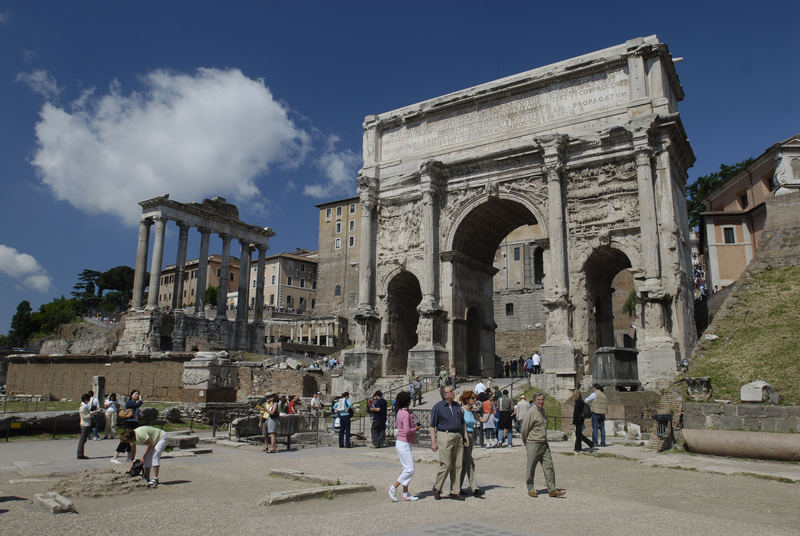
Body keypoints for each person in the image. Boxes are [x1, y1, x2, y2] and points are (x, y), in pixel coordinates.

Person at [521, 393, 565, 498]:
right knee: (531, 467)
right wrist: (526, 442)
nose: (541, 401)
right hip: (533, 442)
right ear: (535, 400)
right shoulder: (531, 412)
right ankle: (531, 488)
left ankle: (552, 489)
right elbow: (524, 429)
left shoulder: (543, 411)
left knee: (549, 466)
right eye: (539, 400)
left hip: (544, 443)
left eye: (542, 399)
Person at [429, 385, 465, 500]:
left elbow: (462, 422)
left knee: (458, 464)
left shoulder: (457, 406)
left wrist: (465, 438)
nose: (454, 392)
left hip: (458, 436)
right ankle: (438, 488)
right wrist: (433, 442)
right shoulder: (438, 407)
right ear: (445, 395)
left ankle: (455, 491)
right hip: (445, 435)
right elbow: (432, 426)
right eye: (451, 391)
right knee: (446, 464)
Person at [388, 391, 420, 502]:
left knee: (406, 468)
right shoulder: (406, 414)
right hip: (404, 442)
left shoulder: (400, 412)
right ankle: (393, 487)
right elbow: (406, 431)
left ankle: (405, 494)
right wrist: (415, 429)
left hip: (402, 442)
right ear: (408, 402)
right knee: (410, 469)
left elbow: (398, 426)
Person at [459, 391, 484, 498]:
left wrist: (488, 410)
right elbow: (461, 424)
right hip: (464, 437)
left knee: (465, 464)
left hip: (471, 435)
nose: (475, 400)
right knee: (470, 462)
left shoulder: (472, 411)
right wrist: (464, 438)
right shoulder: (462, 410)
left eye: (475, 398)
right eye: (473, 398)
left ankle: (457, 487)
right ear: (467, 399)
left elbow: (482, 419)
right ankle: (475, 488)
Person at [112, 389, 143, 464]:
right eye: (135, 393)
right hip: (128, 424)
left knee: (131, 441)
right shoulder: (129, 403)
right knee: (125, 440)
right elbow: (137, 405)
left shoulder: (134, 403)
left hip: (134, 423)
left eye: (138, 394)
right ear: (131, 395)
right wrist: (140, 400)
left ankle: (129, 458)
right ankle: (114, 457)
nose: (137, 395)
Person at [77, 393, 98, 459]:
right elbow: (84, 417)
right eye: (88, 399)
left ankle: (80, 454)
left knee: (83, 440)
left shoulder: (84, 406)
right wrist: (92, 413)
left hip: (86, 424)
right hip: (85, 424)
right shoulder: (83, 407)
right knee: (82, 440)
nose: (89, 401)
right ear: (86, 400)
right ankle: (80, 454)